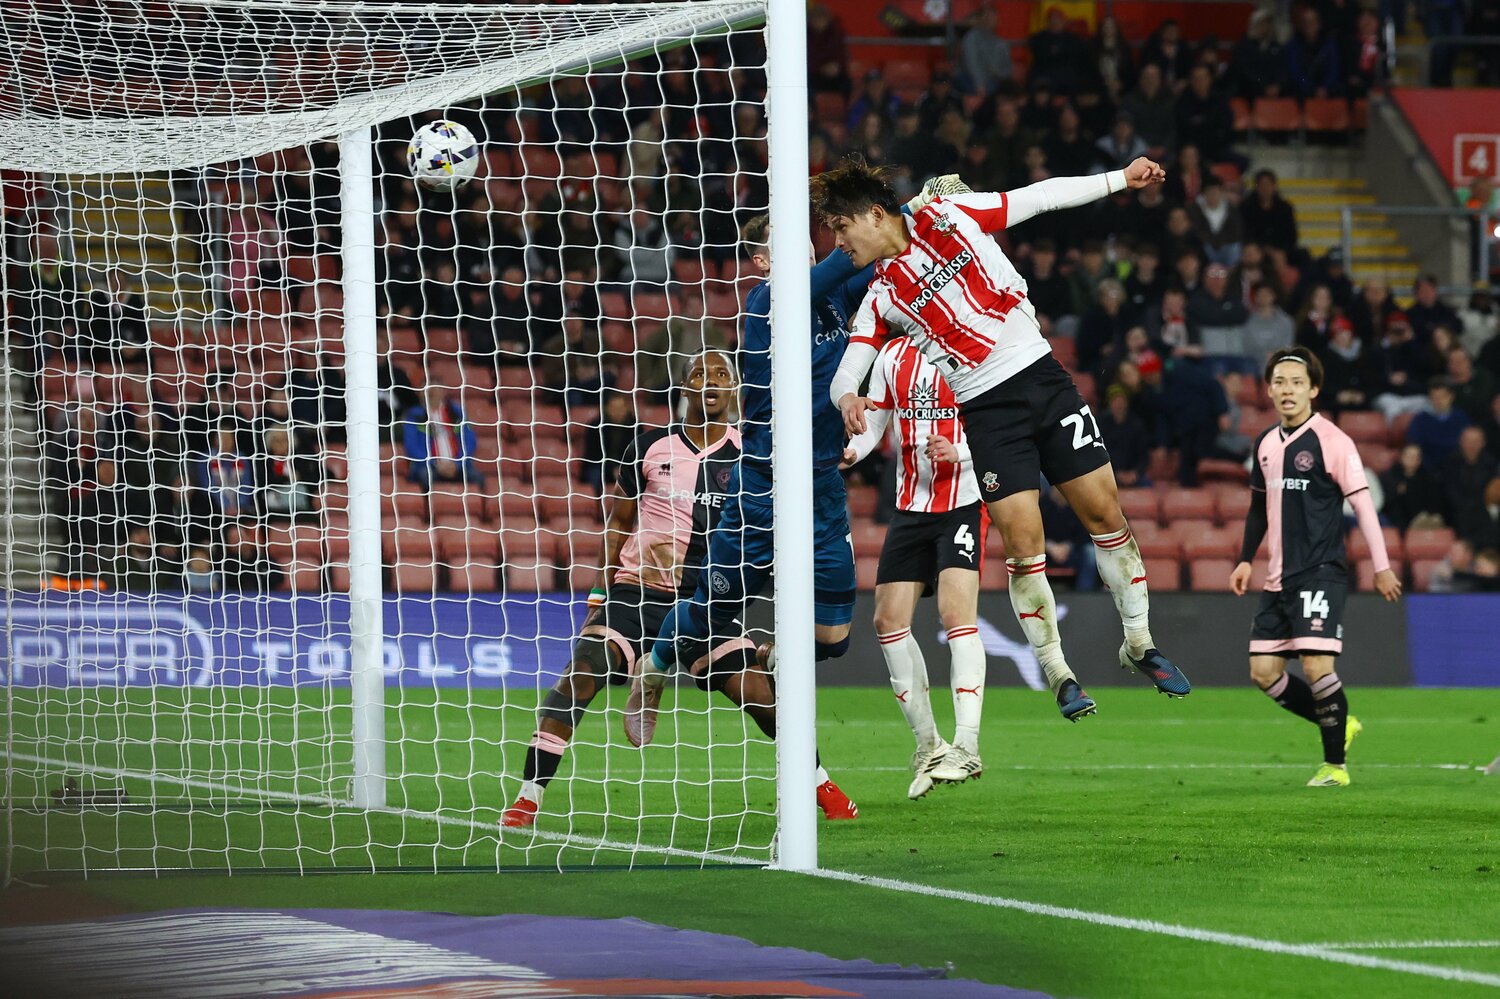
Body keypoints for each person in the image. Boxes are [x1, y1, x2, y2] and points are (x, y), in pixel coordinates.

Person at [816, 157, 1192, 722]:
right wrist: (847, 395)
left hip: (1043, 379)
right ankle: (1058, 671)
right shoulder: (880, 294)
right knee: (1024, 542)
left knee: (1104, 514)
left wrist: (1118, 179)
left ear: (873, 214)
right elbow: (852, 367)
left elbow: (1038, 196)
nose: (838, 243)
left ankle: (1139, 642)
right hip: (988, 413)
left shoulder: (950, 214)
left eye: (841, 228)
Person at [499, 354, 850, 827]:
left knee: (759, 695)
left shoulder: (752, 455)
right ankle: (528, 797)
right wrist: (599, 596)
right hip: (635, 596)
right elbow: (618, 524)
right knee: (581, 673)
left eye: (722, 375)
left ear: (734, 390)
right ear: (684, 387)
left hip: (703, 603)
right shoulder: (648, 447)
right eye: (701, 374)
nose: (711, 382)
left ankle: (819, 782)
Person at [627, 214, 874, 821]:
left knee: (835, 640)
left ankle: (770, 655)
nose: (800, 256)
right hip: (761, 486)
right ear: (762, 263)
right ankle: (653, 671)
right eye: (780, 248)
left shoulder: (834, 295)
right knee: (713, 607)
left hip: (819, 487)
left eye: (805, 245)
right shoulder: (765, 301)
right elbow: (854, 257)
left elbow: (878, 270)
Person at [1230, 347, 1401, 788]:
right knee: (1263, 673)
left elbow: (1362, 507)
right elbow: (1256, 508)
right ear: (1268, 390)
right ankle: (1341, 723)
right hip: (1277, 577)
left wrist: (1381, 566)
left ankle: (1335, 768)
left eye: (1297, 383)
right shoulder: (1266, 444)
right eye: (1280, 382)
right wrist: (1246, 558)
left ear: (1314, 390)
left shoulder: (1333, 441)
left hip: (1321, 571)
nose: (1287, 390)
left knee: (1315, 667)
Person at [841, 336, 987, 798]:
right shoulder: (891, 355)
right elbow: (878, 419)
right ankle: (929, 745)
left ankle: (967, 744)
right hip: (910, 507)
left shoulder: (972, 345)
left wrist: (960, 451)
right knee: (886, 620)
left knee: (955, 614)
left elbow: (1003, 427)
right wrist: (853, 452)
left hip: (962, 501)